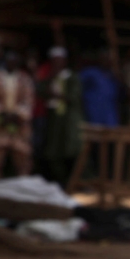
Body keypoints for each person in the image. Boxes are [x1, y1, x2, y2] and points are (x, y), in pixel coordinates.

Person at [0, 51, 35, 180]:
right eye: (9, 60)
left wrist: (18, 115)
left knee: (22, 159)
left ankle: (22, 185)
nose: (12, 63)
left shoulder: (25, 79)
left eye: (15, 61)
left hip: (19, 124)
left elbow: (29, 100)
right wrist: (1, 115)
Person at [41, 47, 82, 185]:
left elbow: (74, 97)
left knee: (70, 150)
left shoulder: (71, 77)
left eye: (59, 60)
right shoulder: (50, 76)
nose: (57, 63)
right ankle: (58, 181)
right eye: (54, 60)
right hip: (54, 119)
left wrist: (57, 95)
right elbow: (40, 90)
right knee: (52, 151)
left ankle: (72, 182)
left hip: (69, 120)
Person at [78, 49, 120, 127]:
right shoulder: (90, 72)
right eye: (104, 58)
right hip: (94, 111)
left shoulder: (112, 75)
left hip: (109, 112)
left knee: (111, 135)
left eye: (108, 59)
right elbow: (77, 84)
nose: (106, 61)